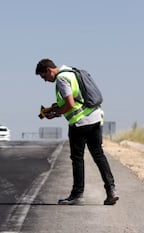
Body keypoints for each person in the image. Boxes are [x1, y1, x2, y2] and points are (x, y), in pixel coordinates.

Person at [35, 58, 119, 205]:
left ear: (49, 70)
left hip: (80, 123)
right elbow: (76, 97)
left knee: (77, 158)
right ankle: (111, 190)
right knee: (99, 155)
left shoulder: (61, 79)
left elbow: (70, 104)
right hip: (95, 118)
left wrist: (55, 114)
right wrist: (56, 107)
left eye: (44, 77)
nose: (45, 80)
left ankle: (77, 195)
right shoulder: (71, 72)